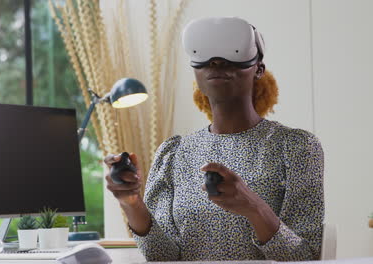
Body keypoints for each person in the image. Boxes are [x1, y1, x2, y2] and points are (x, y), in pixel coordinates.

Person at [104, 16, 324, 261]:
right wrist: (131, 203)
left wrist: (254, 207)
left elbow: (305, 258)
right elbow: (162, 258)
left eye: (232, 56)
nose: (217, 63)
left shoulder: (295, 147)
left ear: (258, 69)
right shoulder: (173, 153)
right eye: (206, 59)